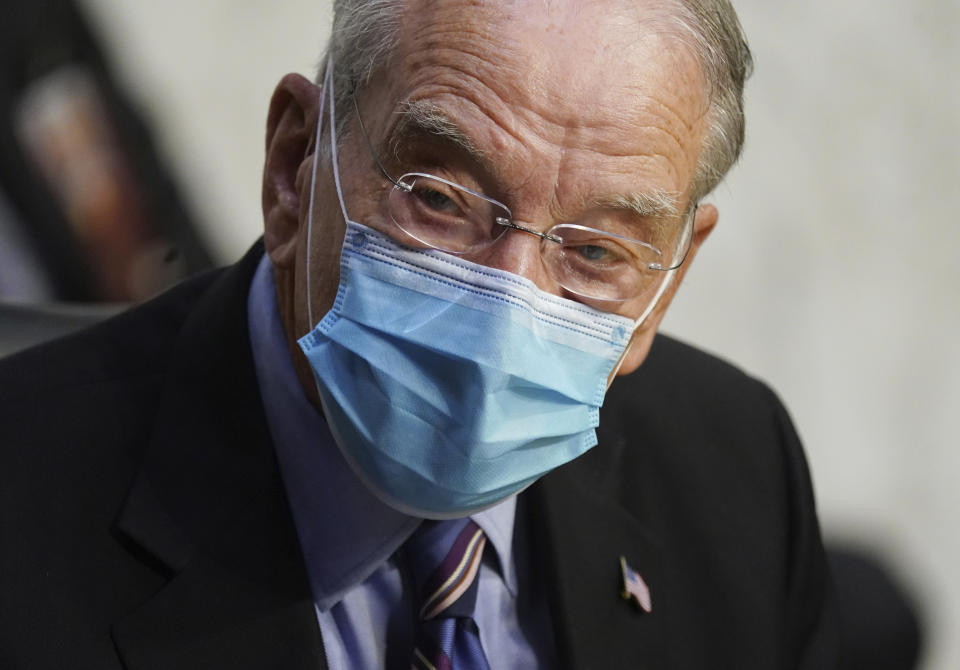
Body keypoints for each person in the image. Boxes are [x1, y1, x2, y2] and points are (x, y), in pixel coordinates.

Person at [0, 0, 838, 668]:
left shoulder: (737, 473)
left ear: (667, 284)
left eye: (593, 251)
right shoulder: (26, 502)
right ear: (296, 167)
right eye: (439, 198)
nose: (507, 306)